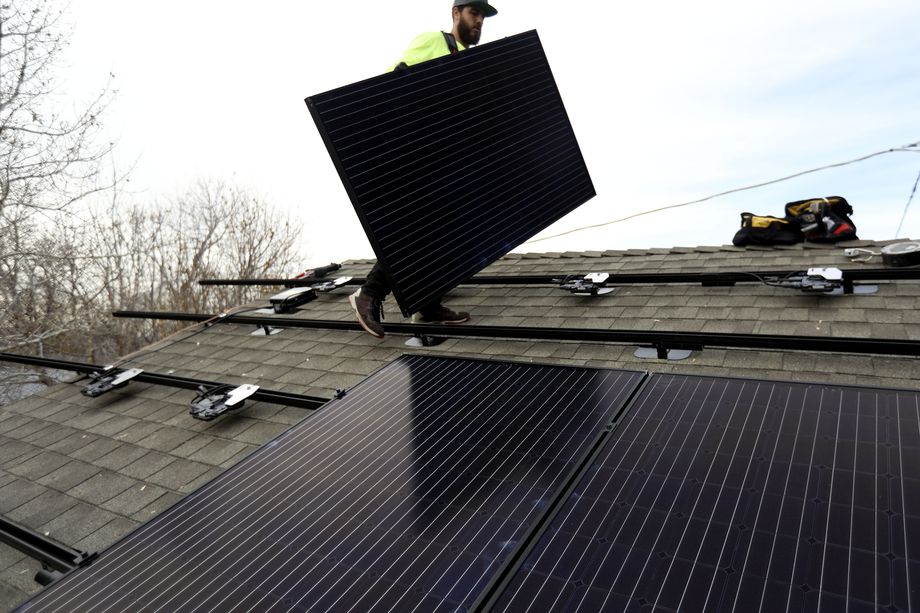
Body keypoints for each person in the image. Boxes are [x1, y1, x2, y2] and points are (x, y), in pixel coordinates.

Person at [349, 0, 498, 338]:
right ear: (455, 13)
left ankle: (428, 303)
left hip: (450, 158)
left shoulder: (471, 63)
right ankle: (369, 294)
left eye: (483, 17)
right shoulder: (435, 41)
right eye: (474, 13)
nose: (479, 22)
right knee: (418, 227)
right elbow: (392, 85)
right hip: (420, 154)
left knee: (446, 228)